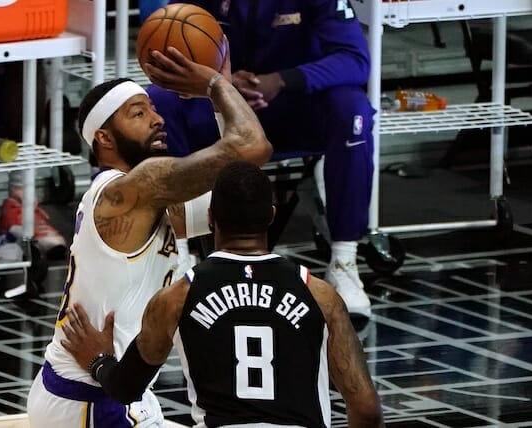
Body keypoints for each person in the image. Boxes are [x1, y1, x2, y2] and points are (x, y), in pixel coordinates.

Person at [26, 43, 272, 427]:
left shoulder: (143, 199)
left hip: (112, 390)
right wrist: (213, 84)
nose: (157, 119)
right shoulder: (128, 192)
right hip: (94, 401)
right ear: (105, 138)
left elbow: (243, 184)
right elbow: (251, 147)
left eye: (154, 109)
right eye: (138, 113)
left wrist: (219, 96)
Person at [60, 160, 385, 427]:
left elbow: (125, 389)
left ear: (211, 218)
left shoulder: (176, 297)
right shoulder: (320, 294)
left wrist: (99, 361)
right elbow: (367, 410)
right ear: (271, 216)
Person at [146, 0, 375, 317]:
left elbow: (355, 60)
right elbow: (168, 55)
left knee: (352, 110)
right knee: (159, 100)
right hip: (218, 101)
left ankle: (344, 261)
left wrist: (282, 80)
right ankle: (176, 255)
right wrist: (220, 85)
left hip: (294, 105)